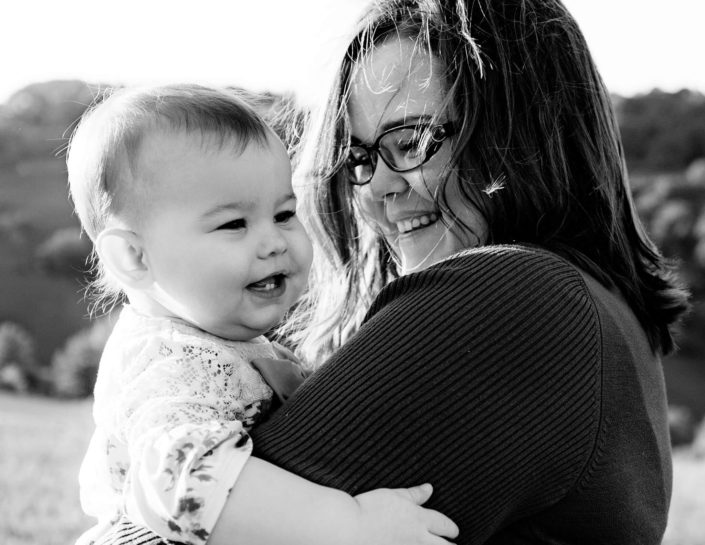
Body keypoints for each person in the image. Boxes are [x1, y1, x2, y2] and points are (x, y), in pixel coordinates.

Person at [91, 1, 691, 544]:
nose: (375, 186)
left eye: (412, 140)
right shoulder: (598, 311)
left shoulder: (516, 297)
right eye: (359, 156)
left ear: (523, 130)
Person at [67, 84, 459, 545]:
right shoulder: (170, 365)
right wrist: (347, 524)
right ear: (133, 257)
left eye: (284, 213)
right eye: (234, 223)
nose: (274, 241)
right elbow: (180, 480)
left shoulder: (218, 342)